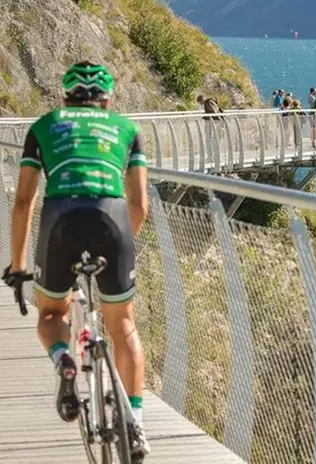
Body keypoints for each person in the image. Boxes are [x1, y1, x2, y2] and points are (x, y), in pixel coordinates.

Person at [1, 61, 150, 460]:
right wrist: (119, 248)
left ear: (64, 96)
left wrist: (17, 267)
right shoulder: (127, 129)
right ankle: (134, 424)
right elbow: (139, 205)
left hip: (61, 221)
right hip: (112, 219)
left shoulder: (44, 125)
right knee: (123, 327)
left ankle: (65, 360)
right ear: (108, 99)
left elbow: (22, 202)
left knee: (51, 315)